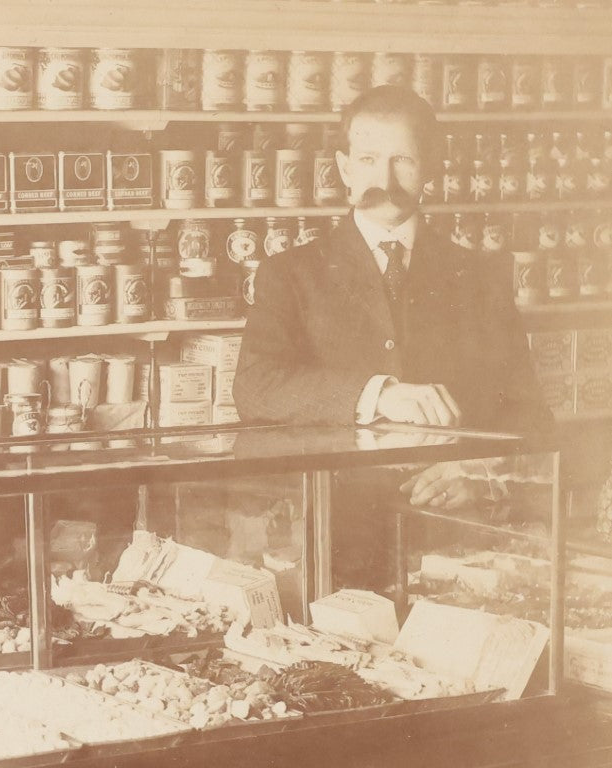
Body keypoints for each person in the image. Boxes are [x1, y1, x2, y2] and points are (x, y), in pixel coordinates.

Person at [233, 85, 550, 511]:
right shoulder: (290, 273)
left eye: (402, 160)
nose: (383, 181)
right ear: (344, 169)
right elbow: (255, 387)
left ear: (431, 167)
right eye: (368, 160)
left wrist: (481, 475)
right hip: (335, 526)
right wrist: (378, 395)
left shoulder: (481, 276)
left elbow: (529, 415)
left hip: (454, 531)